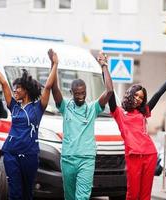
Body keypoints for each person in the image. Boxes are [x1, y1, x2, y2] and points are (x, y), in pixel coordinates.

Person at [0, 46, 58, 200]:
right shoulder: (14, 106)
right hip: (11, 154)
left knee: (27, 193)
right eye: (15, 88)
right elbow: (4, 83)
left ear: (27, 90)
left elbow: (49, 86)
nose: (15, 91)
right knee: (15, 193)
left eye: (18, 88)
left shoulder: (38, 107)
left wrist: (55, 64)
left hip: (30, 155)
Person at [108, 65, 166, 200]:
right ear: (129, 94)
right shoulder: (118, 112)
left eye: (141, 97)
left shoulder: (143, 111)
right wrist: (104, 67)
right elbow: (110, 91)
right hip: (133, 156)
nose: (138, 99)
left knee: (145, 195)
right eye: (136, 95)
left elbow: (158, 94)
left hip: (150, 154)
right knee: (132, 193)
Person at [51, 51, 113, 200]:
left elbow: (109, 91)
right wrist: (54, 64)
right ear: (71, 92)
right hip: (67, 159)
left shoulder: (93, 108)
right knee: (70, 196)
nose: (80, 96)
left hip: (86, 159)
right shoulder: (65, 107)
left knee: (82, 197)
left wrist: (104, 65)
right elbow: (54, 89)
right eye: (77, 93)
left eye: (83, 93)